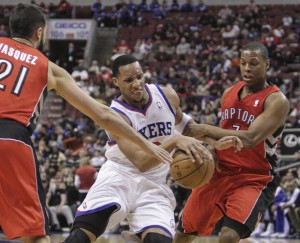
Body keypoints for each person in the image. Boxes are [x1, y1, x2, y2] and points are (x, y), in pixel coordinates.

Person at [0, 4, 171, 243]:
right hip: (9, 138)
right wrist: (148, 144)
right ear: (39, 33)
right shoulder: (47, 67)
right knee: (35, 234)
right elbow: (103, 114)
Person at [62, 55, 240, 243]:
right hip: (120, 176)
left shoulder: (167, 96)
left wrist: (215, 143)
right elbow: (141, 162)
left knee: (159, 240)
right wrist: (174, 141)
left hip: (155, 183)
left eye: (139, 76)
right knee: (81, 237)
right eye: (129, 80)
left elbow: (189, 128)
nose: (137, 83)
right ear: (115, 82)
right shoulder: (116, 115)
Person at [173, 42, 290, 243]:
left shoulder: (276, 100)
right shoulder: (228, 93)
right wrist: (211, 150)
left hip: (253, 177)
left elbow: (251, 138)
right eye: (243, 63)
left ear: (267, 64)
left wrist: (203, 128)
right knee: (183, 234)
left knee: (228, 237)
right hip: (219, 172)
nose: (247, 68)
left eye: (253, 63)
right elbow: (225, 129)